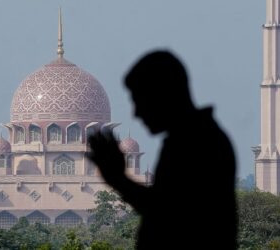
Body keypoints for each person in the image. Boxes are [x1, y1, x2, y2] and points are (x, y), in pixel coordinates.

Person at [87, 50, 237, 249]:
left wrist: (118, 179)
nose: (137, 113)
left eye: (140, 100)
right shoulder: (188, 140)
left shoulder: (196, 143)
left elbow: (171, 214)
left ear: (163, 94)